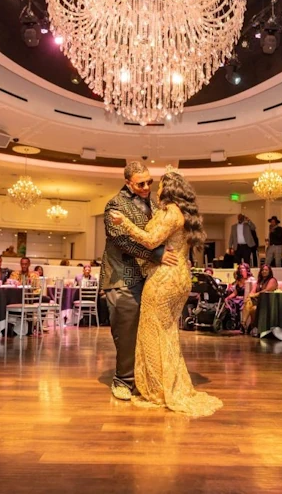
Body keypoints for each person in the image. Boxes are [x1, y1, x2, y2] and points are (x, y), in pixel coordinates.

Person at [109, 168, 222, 417]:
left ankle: (159, 389)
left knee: (152, 330)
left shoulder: (171, 212)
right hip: (180, 276)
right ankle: (167, 383)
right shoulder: (176, 211)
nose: (155, 188)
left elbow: (150, 241)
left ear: (168, 189)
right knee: (167, 332)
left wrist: (124, 223)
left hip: (165, 277)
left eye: (159, 185)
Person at [100, 161, 178, 402]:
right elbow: (121, 240)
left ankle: (142, 378)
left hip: (147, 277)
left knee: (145, 331)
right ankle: (122, 380)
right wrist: (157, 255)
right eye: (140, 183)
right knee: (126, 331)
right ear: (128, 183)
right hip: (121, 276)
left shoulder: (154, 204)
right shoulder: (115, 204)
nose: (146, 187)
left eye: (149, 182)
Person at [242, 264, 279, 334]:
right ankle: (243, 324)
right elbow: (252, 291)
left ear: (269, 271)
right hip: (257, 301)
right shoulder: (259, 281)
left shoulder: (272, 280)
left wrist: (255, 294)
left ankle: (252, 325)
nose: (264, 271)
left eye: (266, 270)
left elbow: (267, 290)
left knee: (253, 308)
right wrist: (250, 296)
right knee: (248, 302)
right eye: (262, 270)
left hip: (267, 302)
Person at [224, 263, 251, 332]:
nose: (241, 270)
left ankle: (240, 325)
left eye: (243, 268)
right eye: (240, 268)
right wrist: (227, 298)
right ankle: (231, 323)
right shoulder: (238, 280)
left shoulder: (250, 279)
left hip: (246, 298)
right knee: (229, 302)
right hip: (237, 298)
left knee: (239, 303)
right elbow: (235, 293)